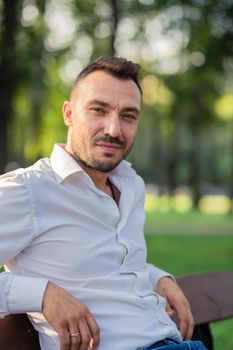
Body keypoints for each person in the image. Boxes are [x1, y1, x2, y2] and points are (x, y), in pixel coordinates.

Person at [0, 57, 206, 350]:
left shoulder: (131, 184)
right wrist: (40, 293)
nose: (113, 129)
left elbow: (113, 263)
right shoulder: (28, 189)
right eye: (99, 110)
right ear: (69, 114)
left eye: (129, 116)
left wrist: (159, 278)